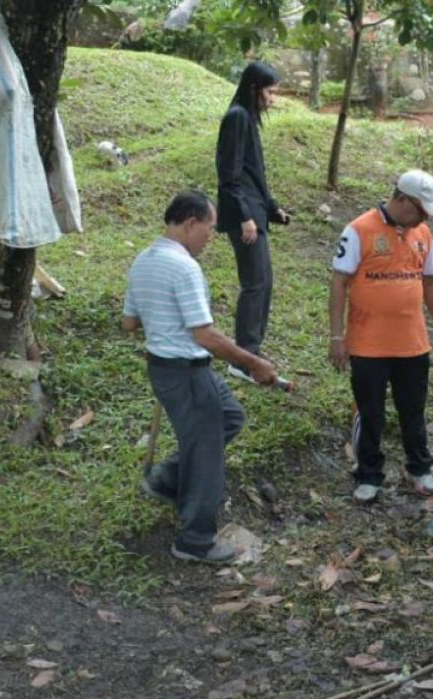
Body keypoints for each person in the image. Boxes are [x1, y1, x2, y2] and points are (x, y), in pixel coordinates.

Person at [122, 190, 280, 564]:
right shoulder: (184, 267)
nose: (212, 237)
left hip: (165, 368)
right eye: (209, 229)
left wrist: (160, 318)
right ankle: (194, 540)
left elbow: (128, 322)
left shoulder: (143, 260)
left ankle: (166, 479)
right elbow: (204, 335)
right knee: (207, 454)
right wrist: (253, 363)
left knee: (229, 416)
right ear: (191, 223)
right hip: (185, 371)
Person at [328, 170, 433, 503]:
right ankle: (368, 473)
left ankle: (419, 468)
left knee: (413, 408)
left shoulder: (422, 232)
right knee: (370, 411)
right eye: (420, 210)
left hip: (412, 343)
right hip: (368, 344)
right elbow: (339, 283)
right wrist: (336, 336)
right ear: (400, 200)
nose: (424, 218)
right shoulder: (359, 230)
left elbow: (430, 283)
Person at [215, 61, 291, 375]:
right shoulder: (236, 118)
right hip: (243, 215)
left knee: (264, 282)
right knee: (255, 283)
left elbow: (252, 174)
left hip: (254, 212)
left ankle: (252, 351)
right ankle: (244, 359)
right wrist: (245, 216)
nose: (273, 98)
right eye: (269, 92)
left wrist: (272, 207)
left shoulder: (247, 118)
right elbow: (228, 174)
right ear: (253, 89)